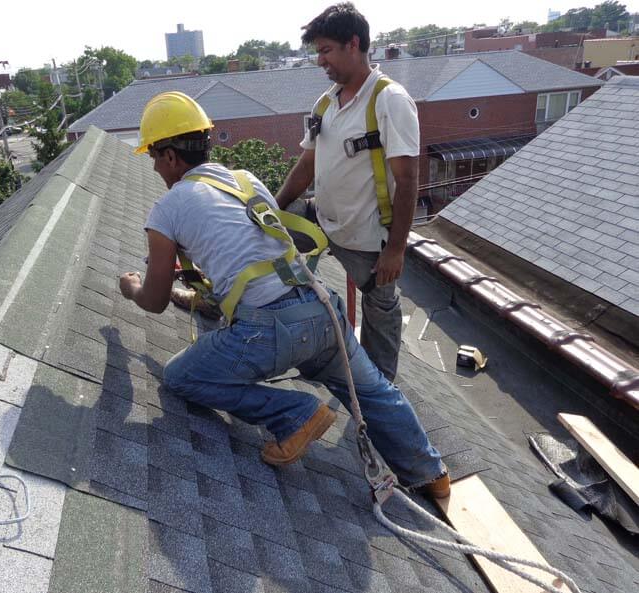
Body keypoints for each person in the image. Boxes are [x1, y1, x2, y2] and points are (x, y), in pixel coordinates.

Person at [118, 91, 449, 497]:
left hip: (268, 330)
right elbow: (248, 256)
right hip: (321, 310)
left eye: (153, 156)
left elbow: (152, 301)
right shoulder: (246, 180)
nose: (154, 167)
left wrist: (132, 285)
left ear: (170, 156)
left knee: (179, 376)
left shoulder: (168, 207)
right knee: (373, 391)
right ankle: (430, 472)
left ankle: (295, 414)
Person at [276, 3, 419, 382]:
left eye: (326, 51)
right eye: (318, 52)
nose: (320, 61)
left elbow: (406, 181)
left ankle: (379, 395)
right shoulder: (326, 103)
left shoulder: (389, 101)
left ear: (353, 44)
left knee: (381, 311)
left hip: (367, 240)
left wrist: (396, 250)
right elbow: (306, 166)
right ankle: (277, 328)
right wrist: (273, 211)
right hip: (322, 221)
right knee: (268, 241)